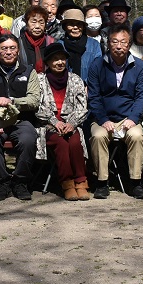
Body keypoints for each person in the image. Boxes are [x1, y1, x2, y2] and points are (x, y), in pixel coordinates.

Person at [85, 25, 143, 200]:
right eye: (114, 41)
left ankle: (136, 182)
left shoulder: (140, 66)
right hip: (102, 117)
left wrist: (133, 118)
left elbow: (141, 95)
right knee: (98, 137)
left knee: (137, 136)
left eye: (123, 42)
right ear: (108, 43)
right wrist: (103, 119)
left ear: (129, 45)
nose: (119, 46)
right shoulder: (97, 64)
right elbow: (94, 96)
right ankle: (101, 182)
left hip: (129, 117)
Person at [0, 34, 40, 201]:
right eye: (4, 48)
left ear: (18, 50)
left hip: (21, 120)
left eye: (12, 48)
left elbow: (34, 100)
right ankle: (2, 182)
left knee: (28, 139)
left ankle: (20, 182)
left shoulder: (29, 71)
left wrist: (13, 101)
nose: (8, 52)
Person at [36, 43, 91, 200]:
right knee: (61, 144)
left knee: (74, 142)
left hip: (71, 125)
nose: (60, 62)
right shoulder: (39, 80)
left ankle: (81, 181)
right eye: (55, 59)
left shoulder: (76, 80)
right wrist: (55, 122)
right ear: (47, 62)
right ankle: (67, 182)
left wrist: (71, 123)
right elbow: (35, 106)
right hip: (48, 126)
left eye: (62, 59)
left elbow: (83, 107)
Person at [59, 8, 100, 77]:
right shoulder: (60, 45)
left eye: (79, 24)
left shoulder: (94, 45)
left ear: (83, 27)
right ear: (65, 27)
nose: (75, 27)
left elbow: (98, 68)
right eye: (71, 24)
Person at [18, 6, 54, 73]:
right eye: (33, 22)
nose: (37, 26)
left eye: (41, 22)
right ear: (26, 23)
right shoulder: (19, 43)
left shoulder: (51, 42)